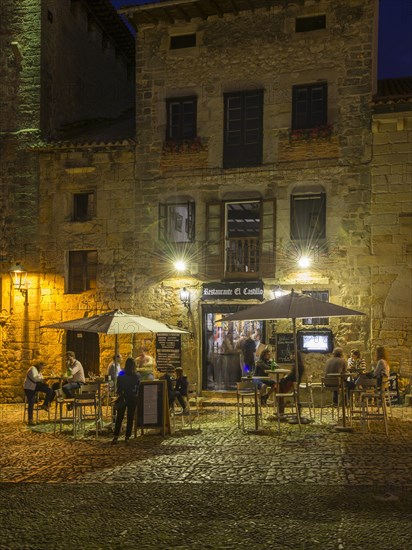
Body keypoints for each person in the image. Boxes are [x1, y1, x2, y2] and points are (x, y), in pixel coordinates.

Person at [112, 357, 141, 445]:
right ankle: (127, 437)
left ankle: (116, 437)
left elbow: (118, 390)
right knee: (130, 418)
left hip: (123, 398)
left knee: (119, 418)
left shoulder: (121, 375)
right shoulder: (137, 376)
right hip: (132, 398)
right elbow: (137, 388)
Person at [23, 361, 54, 425]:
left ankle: (45, 404)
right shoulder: (32, 369)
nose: (42, 368)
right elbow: (35, 378)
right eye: (42, 366)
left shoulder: (38, 371)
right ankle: (30, 419)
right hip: (29, 387)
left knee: (50, 390)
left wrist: (43, 379)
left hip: (35, 386)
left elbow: (40, 378)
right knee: (32, 401)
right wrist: (43, 379)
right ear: (39, 365)